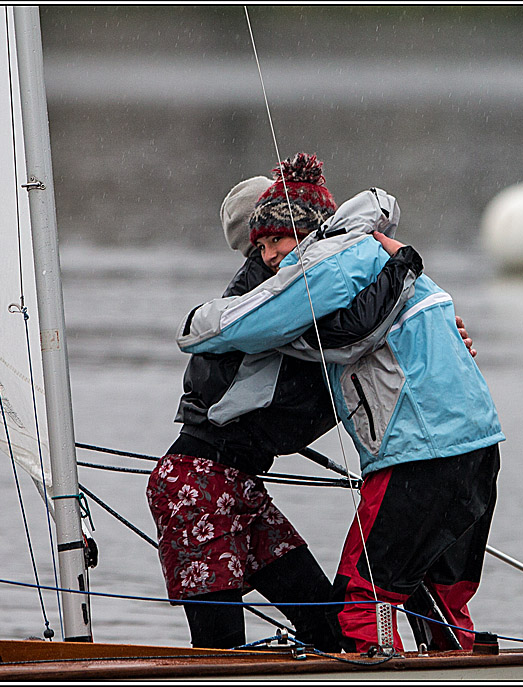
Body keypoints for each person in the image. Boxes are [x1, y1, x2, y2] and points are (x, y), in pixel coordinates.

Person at [177, 153, 505, 654]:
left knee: (362, 597)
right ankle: (451, 661)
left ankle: (391, 668)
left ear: (310, 231)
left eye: (276, 240)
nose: (267, 258)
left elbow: (342, 333)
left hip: (420, 455)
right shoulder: (373, 262)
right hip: (476, 447)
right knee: (431, 591)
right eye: (257, 246)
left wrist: (195, 324)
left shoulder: (327, 274)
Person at [148, 161, 427, 651]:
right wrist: (404, 265)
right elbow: (354, 334)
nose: (274, 251)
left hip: (240, 483)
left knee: (327, 628)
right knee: (221, 652)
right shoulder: (266, 302)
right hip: (196, 482)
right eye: (264, 241)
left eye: (281, 236)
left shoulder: (308, 282)